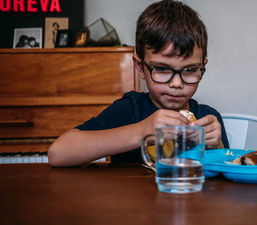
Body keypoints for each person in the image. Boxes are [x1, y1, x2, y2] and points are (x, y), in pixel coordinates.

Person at [48, 0, 229, 167]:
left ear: (202, 67)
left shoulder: (208, 117)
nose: (176, 83)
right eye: (162, 69)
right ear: (140, 67)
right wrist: (141, 132)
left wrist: (217, 145)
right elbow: (58, 153)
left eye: (189, 70)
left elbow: (226, 175)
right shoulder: (128, 110)